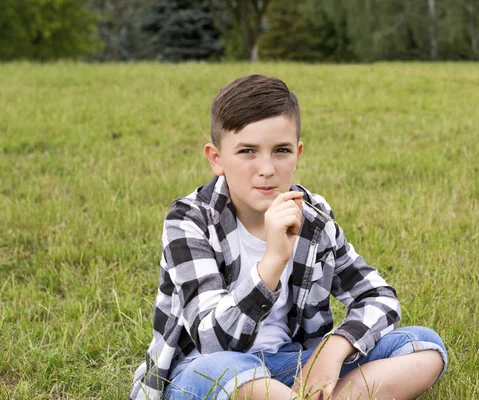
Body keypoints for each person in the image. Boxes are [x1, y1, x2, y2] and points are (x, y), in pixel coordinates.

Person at [130, 74, 447, 400]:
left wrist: (333, 350)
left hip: (288, 364)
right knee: (223, 371)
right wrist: (273, 260)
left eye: (280, 151)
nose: (266, 168)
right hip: (205, 373)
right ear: (217, 159)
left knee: (423, 347)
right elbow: (212, 342)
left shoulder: (313, 216)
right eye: (248, 151)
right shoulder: (190, 220)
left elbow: (379, 297)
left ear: (298, 153)